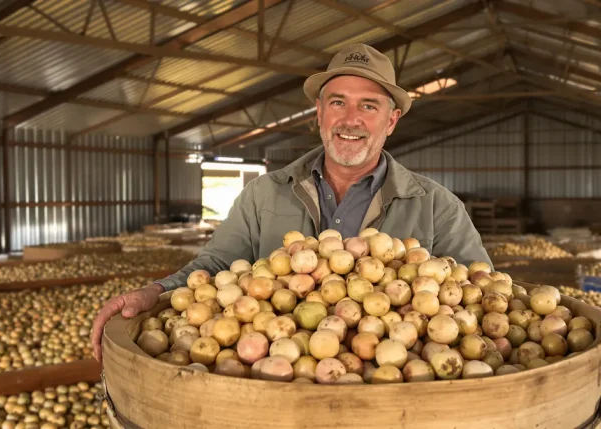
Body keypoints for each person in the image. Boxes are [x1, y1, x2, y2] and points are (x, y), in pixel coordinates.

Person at [91, 43, 491, 363]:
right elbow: (211, 268)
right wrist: (154, 291)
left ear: (391, 120)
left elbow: (480, 295)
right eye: (337, 102)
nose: (350, 119)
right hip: (273, 386)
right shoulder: (263, 194)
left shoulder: (437, 206)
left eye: (369, 106)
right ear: (318, 113)